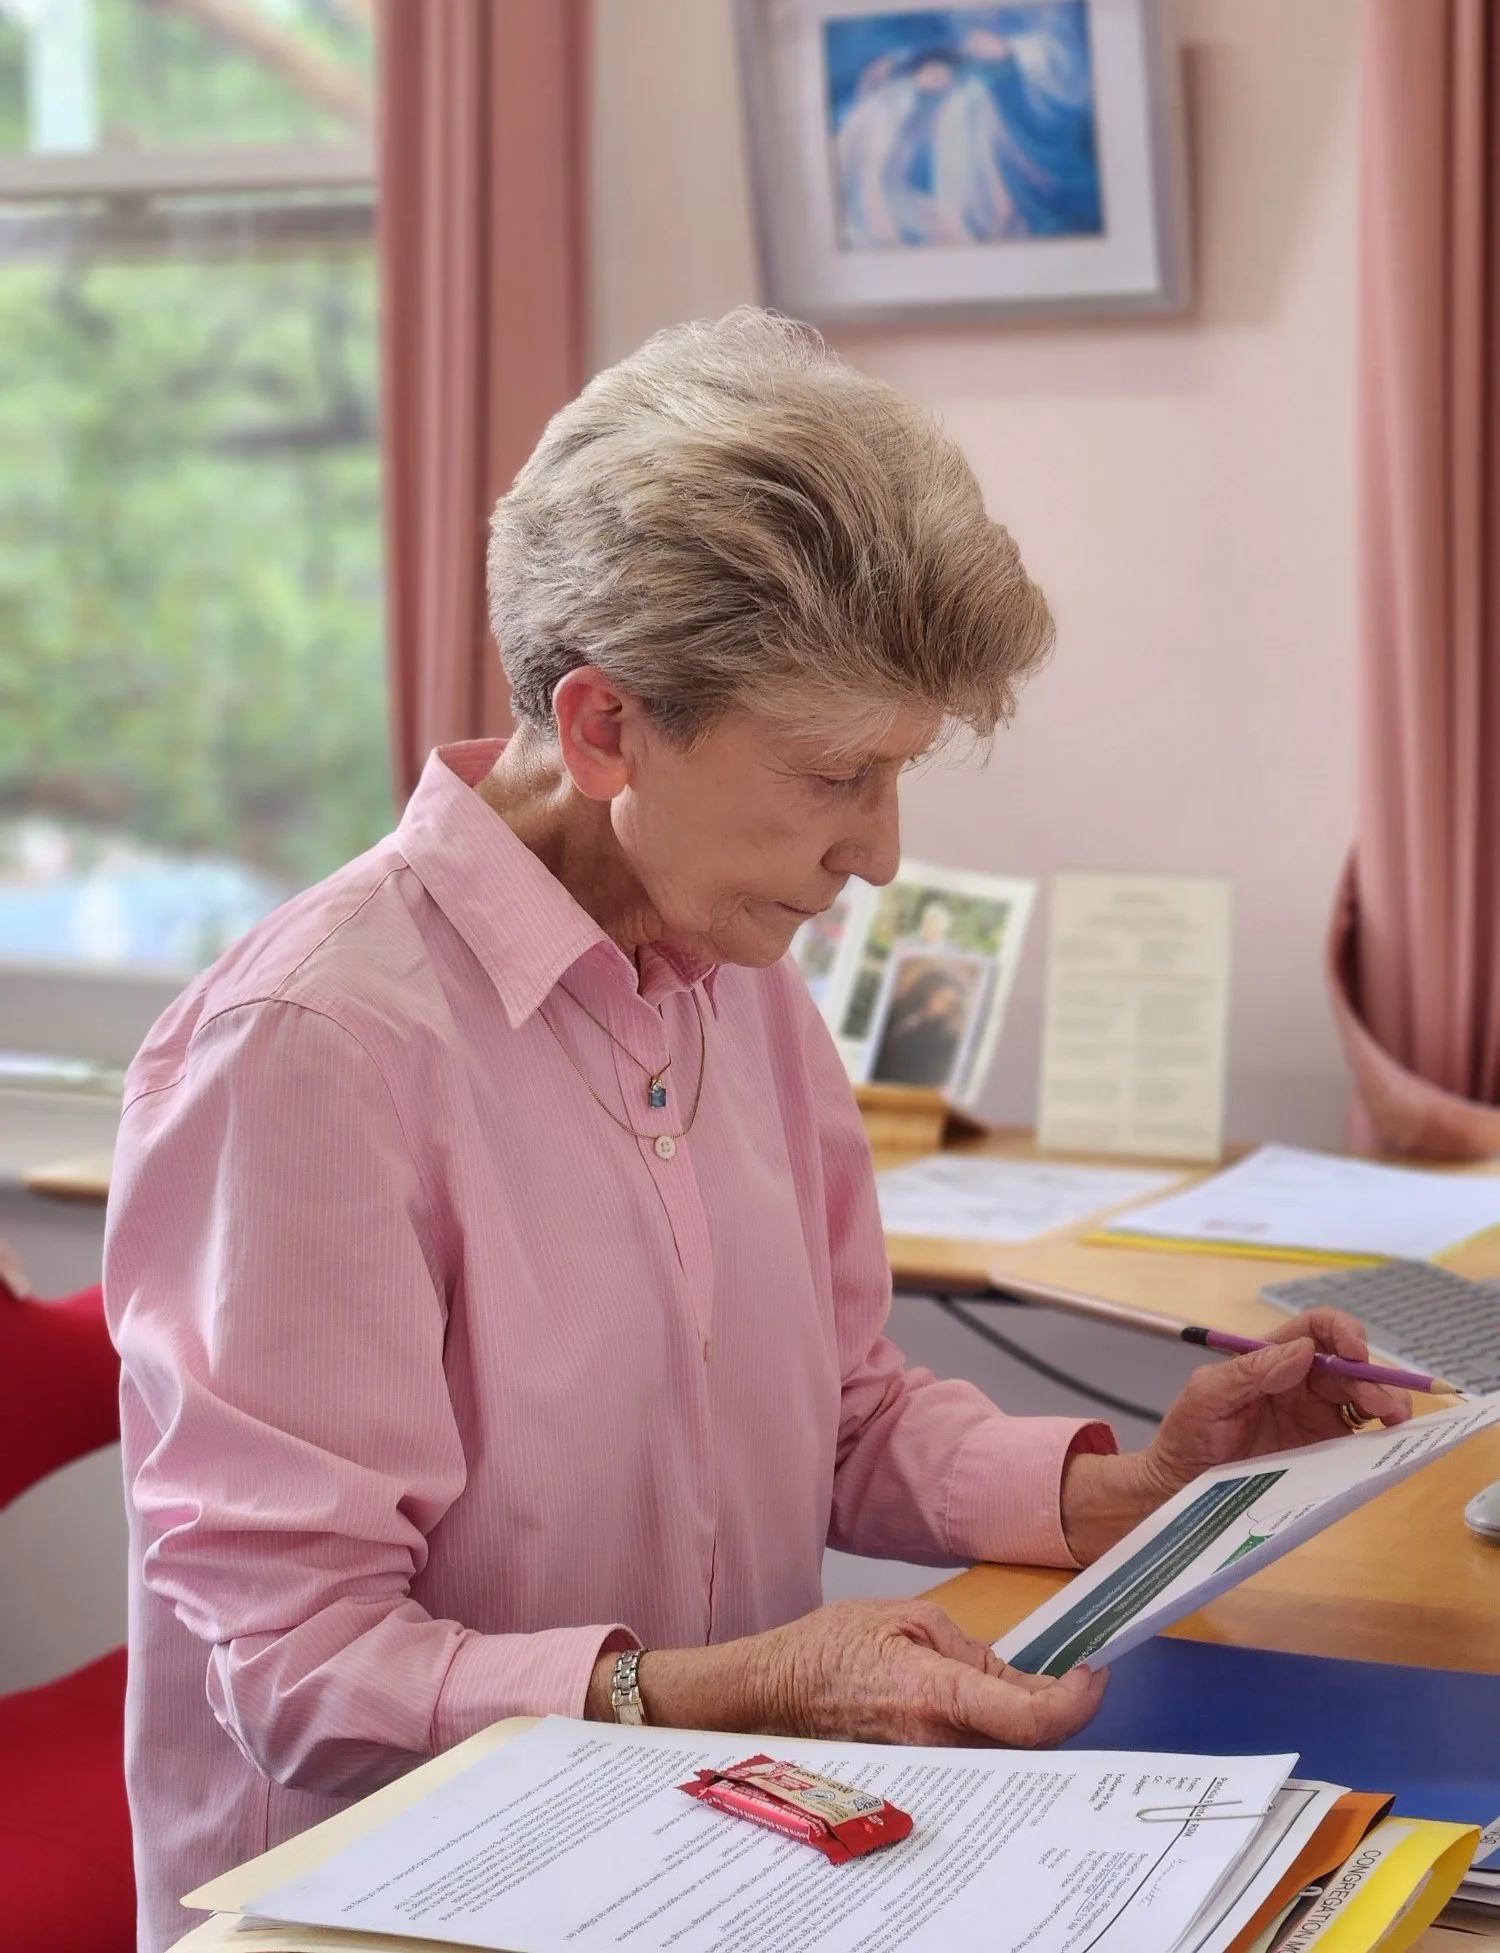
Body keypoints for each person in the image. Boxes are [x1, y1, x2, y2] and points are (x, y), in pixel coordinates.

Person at [104, 310, 1406, 1951]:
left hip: (707, 1866)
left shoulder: (736, 977)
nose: (879, 853)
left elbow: (843, 1414)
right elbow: (296, 1673)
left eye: (901, 772)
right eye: (836, 776)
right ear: (603, 728)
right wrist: (736, 1687)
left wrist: (1142, 1489)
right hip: (390, 1904)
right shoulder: (310, 1052)